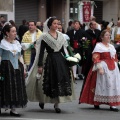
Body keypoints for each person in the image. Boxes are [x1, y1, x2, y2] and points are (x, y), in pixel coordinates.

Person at [26, 17, 76, 113]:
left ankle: (57, 104)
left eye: (57, 24)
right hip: (50, 60)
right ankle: (42, 100)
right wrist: (40, 65)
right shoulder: (45, 36)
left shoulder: (61, 36)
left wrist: (69, 59)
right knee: (46, 82)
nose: (56, 25)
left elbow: (62, 49)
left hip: (60, 60)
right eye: (54, 23)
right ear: (49, 25)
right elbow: (41, 52)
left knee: (60, 81)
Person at [79, 29, 120, 112]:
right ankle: (97, 102)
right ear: (102, 37)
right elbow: (95, 57)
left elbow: (114, 57)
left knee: (112, 85)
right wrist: (99, 67)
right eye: (106, 35)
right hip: (103, 67)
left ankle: (112, 104)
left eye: (109, 35)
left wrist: (116, 65)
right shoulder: (99, 46)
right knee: (102, 85)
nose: (108, 37)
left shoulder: (111, 46)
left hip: (112, 68)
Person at [0, 22, 27, 116]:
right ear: (7, 33)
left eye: (15, 31)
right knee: (4, 87)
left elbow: (20, 56)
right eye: (13, 31)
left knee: (15, 87)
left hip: (17, 68)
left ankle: (13, 108)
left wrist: (24, 68)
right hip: (5, 67)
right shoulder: (2, 43)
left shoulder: (17, 43)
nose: (15, 33)